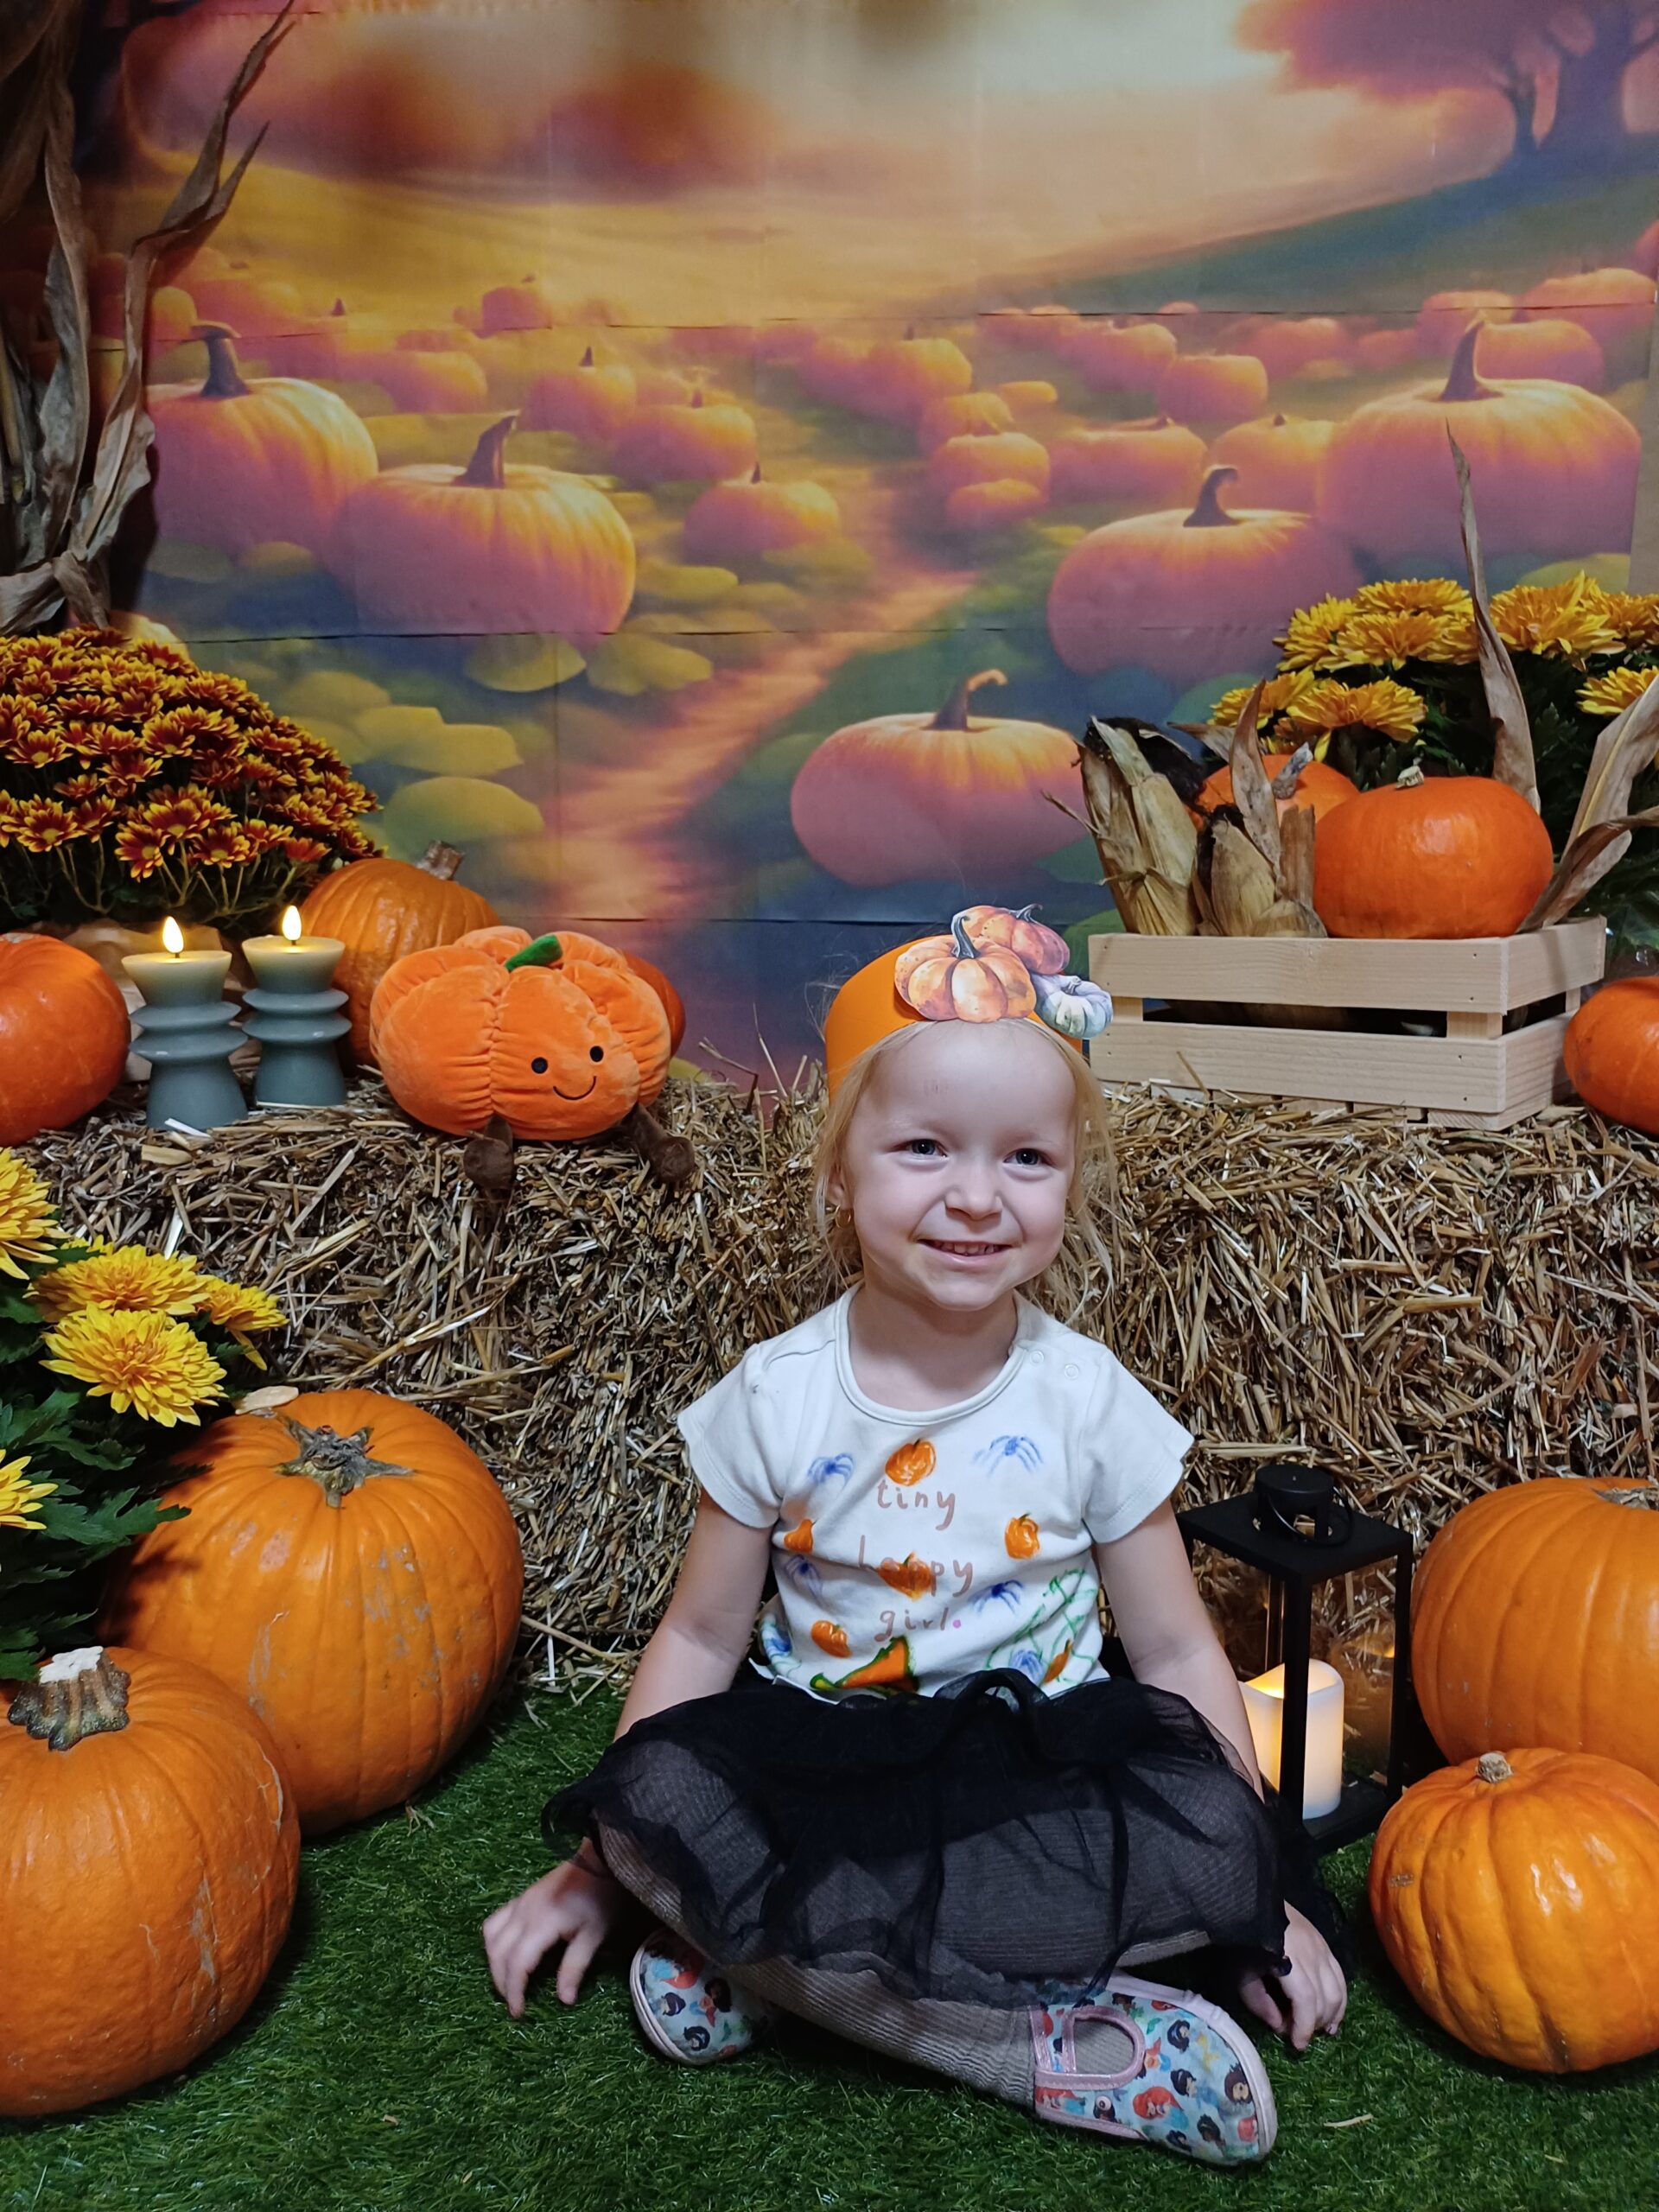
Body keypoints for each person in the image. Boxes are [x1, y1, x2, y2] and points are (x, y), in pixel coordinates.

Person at [484, 906, 1348, 2167]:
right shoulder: (776, 1396)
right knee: (661, 1813)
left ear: (1070, 1182)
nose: (976, 1198)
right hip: (822, 1761)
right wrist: (602, 1861)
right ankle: (1039, 2048)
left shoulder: (1089, 1400)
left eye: (1027, 1159)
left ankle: (768, 1966)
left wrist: (1256, 1891)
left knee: (1178, 1854)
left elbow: (1173, 1655)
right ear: (840, 1170)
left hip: (1036, 1774)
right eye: (925, 1147)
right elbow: (702, 1638)